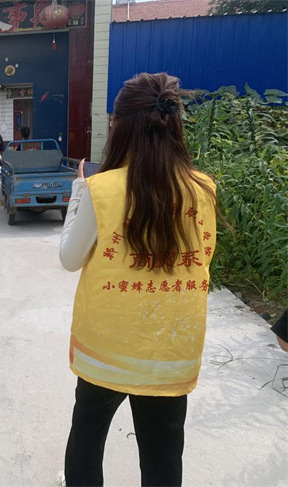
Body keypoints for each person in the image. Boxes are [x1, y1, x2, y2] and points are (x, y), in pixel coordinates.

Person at [58, 73, 218, 487]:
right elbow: (202, 258)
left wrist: (79, 190)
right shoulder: (203, 189)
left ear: (119, 126)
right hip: (171, 349)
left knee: (87, 438)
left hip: (106, 347)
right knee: (163, 455)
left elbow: (69, 259)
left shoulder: (100, 189)